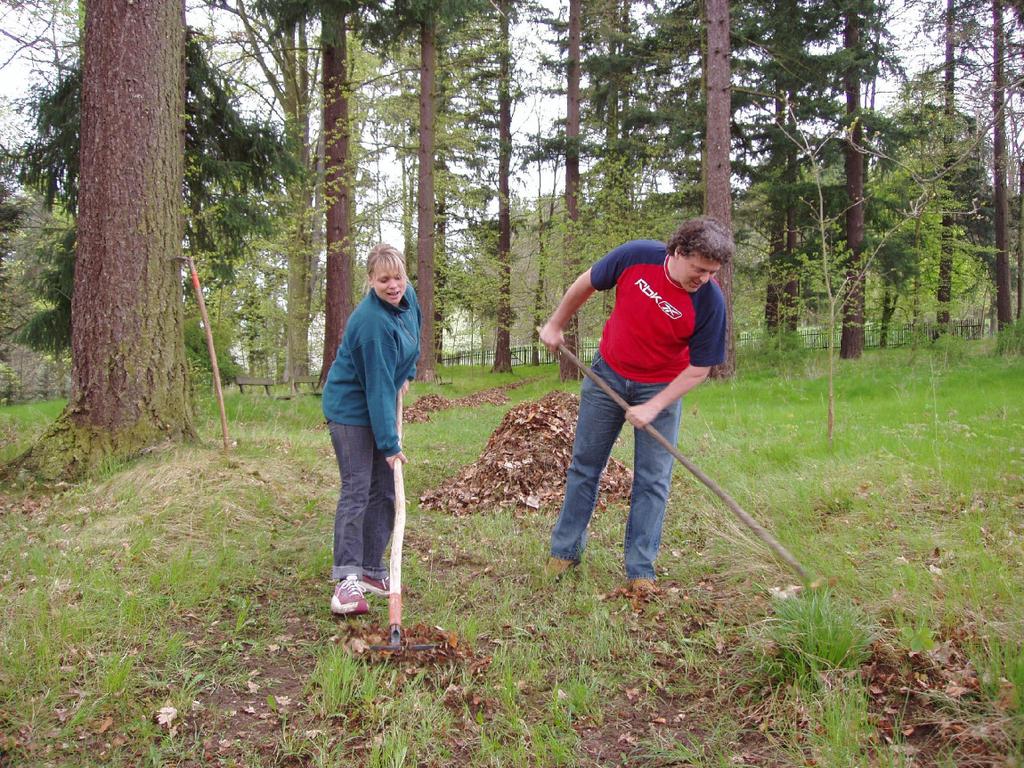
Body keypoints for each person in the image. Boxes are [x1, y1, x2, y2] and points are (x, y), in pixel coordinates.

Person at [539, 217, 733, 592]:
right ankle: (564, 552)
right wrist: (556, 323)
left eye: (712, 272)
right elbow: (587, 282)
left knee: (653, 481)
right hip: (606, 375)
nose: (704, 278)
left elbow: (700, 368)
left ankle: (640, 572)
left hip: (660, 386)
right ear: (678, 252)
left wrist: (654, 405)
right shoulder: (636, 256)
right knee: (584, 467)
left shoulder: (710, 302)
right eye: (699, 269)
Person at [322, 243, 421, 615]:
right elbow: (378, 389)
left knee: (386, 491)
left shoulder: (407, 297)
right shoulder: (371, 325)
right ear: (370, 281)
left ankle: (372, 570)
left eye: (398, 277)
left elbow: (415, 333)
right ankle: (347, 580)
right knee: (358, 488)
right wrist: (390, 444)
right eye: (384, 280)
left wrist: (408, 373)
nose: (393, 286)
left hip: (377, 401)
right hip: (350, 409)